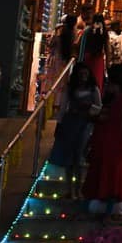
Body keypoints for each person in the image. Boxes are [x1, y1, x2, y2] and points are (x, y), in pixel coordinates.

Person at [83, 66, 122, 216]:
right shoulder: (111, 102)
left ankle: (107, 212)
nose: (107, 86)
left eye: (110, 83)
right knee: (105, 179)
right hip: (105, 148)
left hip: (116, 149)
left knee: (112, 181)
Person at [46, 64, 100, 199]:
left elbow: (99, 107)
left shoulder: (94, 89)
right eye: (81, 75)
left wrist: (89, 107)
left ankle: (79, 189)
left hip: (85, 124)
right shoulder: (70, 89)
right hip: (70, 123)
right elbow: (63, 107)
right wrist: (59, 123)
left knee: (79, 156)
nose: (83, 77)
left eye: (85, 75)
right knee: (69, 157)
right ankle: (70, 188)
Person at [82, 12, 109, 90]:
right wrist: (107, 63)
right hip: (98, 59)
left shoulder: (87, 30)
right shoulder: (104, 32)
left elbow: (81, 44)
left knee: (86, 79)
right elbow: (107, 49)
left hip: (88, 57)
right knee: (97, 81)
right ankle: (96, 98)